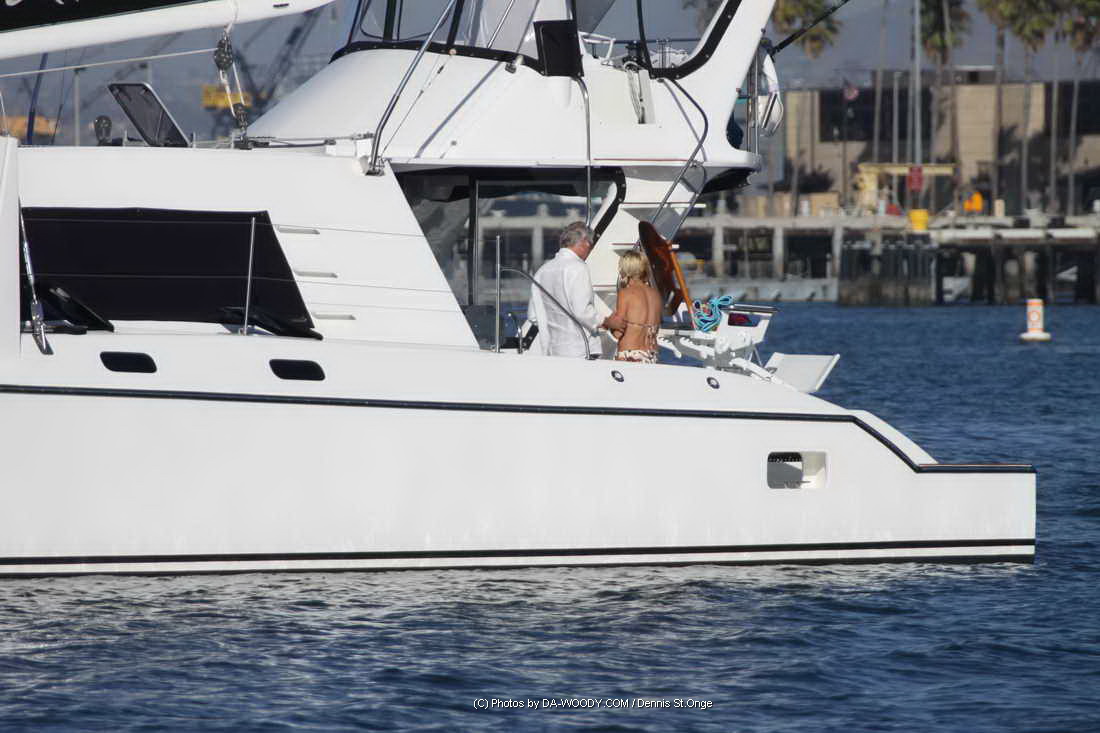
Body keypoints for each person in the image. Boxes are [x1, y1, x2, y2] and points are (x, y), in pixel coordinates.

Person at [527, 221, 602, 358]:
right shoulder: (578, 267)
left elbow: (533, 316)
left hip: (554, 351)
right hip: (581, 351)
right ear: (584, 242)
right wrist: (605, 321)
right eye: (590, 245)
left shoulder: (542, 271)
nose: (590, 250)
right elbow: (582, 312)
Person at [601, 250, 662, 364]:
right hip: (651, 355)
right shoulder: (656, 295)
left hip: (630, 355)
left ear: (626, 270)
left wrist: (607, 324)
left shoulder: (626, 294)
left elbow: (618, 331)